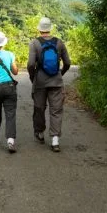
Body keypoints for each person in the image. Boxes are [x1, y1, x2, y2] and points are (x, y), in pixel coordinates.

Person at [27, 17, 71, 152]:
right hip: (56, 81)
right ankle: (55, 140)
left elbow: (30, 64)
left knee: (39, 108)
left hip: (40, 81)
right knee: (56, 110)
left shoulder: (34, 43)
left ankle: (40, 133)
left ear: (39, 29)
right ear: (50, 28)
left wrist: (33, 77)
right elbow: (67, 63)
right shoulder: (59, 42)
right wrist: (60, 74)